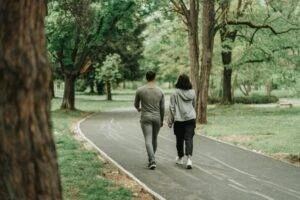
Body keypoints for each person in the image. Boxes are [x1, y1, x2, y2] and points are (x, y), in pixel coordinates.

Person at [134, 71, 165, 170]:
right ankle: (152, 159)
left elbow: (136, 104)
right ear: (154, 78)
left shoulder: (140, 90)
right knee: (154, 139)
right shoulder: (160, 91)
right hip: (157, 117)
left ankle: (152, 160)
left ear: (146, 78)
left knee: (148, 139)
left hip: (145, 117)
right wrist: (161, 120)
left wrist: (139, 109)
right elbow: (162, 107)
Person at [168, 74, 196, 169]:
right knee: (189, 138)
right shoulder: (192, 92)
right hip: (191, 118)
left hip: (179, 119)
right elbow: (193, 104)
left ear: (178, 82)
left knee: (179, 139)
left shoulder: (175, 93)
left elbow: (172, 108)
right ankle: (189, 159)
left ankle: (180, 158)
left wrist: (170, 120)